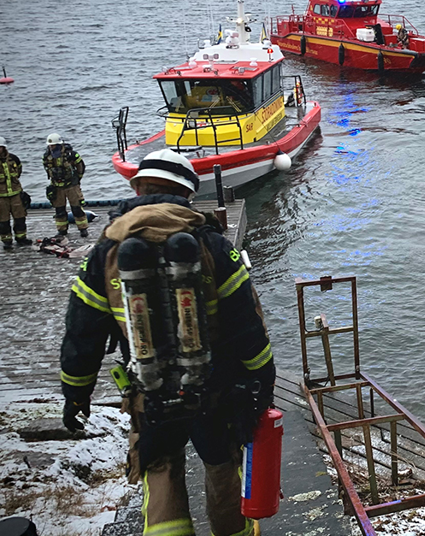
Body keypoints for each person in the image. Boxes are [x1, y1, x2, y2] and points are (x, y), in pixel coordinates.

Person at [59, 149, 275, 536]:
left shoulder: (106, 252)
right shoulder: (213, 245)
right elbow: (248, 325)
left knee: (161, 472)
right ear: (188, 194)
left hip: (149, 395)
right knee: (222, 468)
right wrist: (263, 383)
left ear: (137, 188)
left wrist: (75, 394)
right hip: (213, 391)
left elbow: (81, 332)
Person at [43, 133, 88, 237]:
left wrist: (77, 179)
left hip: (71, 185)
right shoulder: (46, 156)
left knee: (77, 208)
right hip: (57, 186)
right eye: (50, 146)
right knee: (59, 210)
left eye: (53, 145)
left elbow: (81, 166)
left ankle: (83, 228)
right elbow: (47, 168)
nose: (51, 147)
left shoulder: (71, 155)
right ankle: (62, 230)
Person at [0, 137, 30, 249]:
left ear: (4, 148)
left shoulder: (13, 159)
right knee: (3, 220)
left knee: (20, 217)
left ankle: (21, 238)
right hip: (1, 197)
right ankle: (7, 240)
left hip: (15, 194)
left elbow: (19, 171)